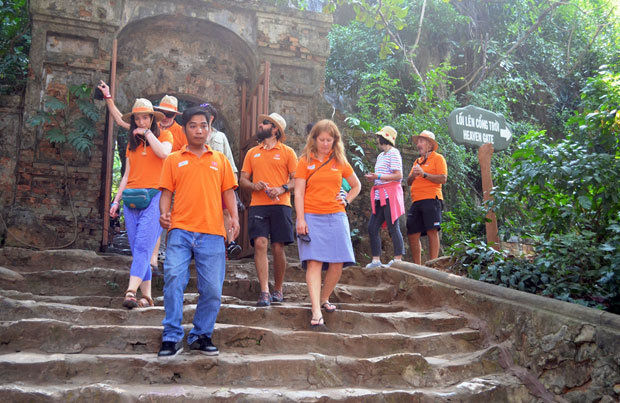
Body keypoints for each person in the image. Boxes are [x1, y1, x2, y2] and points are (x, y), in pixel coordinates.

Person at [157, 106, 239, 357]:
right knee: (173, 280)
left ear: (209, 128)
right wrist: (164, 214)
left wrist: (234, 218)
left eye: (203, 126)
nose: (199, 130)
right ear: (185, 128)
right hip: (180, 231)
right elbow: (166, 193)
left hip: (212, 232)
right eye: (193, 125)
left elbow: (228, 193)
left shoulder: (220, 160)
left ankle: (201, 334)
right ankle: (171, 336)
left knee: (213, 289)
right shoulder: (173, 159)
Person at [97, 81, 183, 270]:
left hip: (165, 183)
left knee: (161, 224)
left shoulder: (173, 133)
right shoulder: (136, 137)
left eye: (170, 114)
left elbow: (167, 153)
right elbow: (120, 120)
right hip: (139, 188)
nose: (166, 117)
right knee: (145, 236)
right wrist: (108, 97)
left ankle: (158, 259)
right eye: (164, 113)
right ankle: (148, 270)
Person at [106, 98, 173, 308]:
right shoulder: (131, 144)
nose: (141, 121)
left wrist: (147, 134)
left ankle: (130, 291)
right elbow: (126, 175)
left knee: (144, 246)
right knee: (138, 250)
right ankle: (148, 297)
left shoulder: (165, 135)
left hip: (154, 197)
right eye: (138, 118)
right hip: (131, 199)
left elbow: (164, 153)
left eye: (145, 117)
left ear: (152, 119)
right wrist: (115, 201)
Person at [294, 119, 361, 329]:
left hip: (336, 216)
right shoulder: (305, 160)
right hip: (312, 215)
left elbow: (356, 185)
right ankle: (316, 311)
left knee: (338, 262)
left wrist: (347, 199)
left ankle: (324, 298)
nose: (325, 143)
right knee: (314, 262)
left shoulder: (340, 161)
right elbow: (299, 192)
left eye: (329, 140)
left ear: (335, 141)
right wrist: (301, 218)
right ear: (314, 139)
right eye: (321, 139)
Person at [239, 112, 297, 307]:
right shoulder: (252, 152)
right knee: (261, 243)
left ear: (275, 129)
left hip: (281, 204)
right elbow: (243, 179)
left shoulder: (288, 152)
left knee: (278, 247)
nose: (260, 124)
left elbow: (297, 180)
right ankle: (264, 290)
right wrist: (253, 185)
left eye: (265, 123)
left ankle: (278, 289)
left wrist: (282, 188)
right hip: (258, 205)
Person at [200, 103, 241, 258]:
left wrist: (233, 185)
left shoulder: (220, 137)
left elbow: (229, 161)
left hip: (220, 182)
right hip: (202, 183)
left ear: (211, 118)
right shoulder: (195, 135)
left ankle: (230, 243)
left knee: (226, 211)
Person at [364, 126, 405, 268]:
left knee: (393, 226)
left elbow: (398, 175)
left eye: (378, 137)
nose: (377, 140)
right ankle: (376, 260)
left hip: (390, 194)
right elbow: (380, 176)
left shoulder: (394, 153)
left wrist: (379, 176)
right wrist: (373, 178)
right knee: (372, 227)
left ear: (384, 139)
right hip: (379, 194)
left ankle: (398, 260)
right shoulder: (381, 156)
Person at [406, 130, 447, 264]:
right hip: (416, 200)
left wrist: (424, 174)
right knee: (412, 232)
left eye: (421, 141)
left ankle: (433, 263)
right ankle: (417, 265)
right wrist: (414, 174)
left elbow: (443, 178)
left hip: (432, 198)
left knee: (432, 230)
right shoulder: (417, 161)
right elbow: (409, 181)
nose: (418, 144)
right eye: (418, 141)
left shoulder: (438, 158)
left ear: (429, 144)